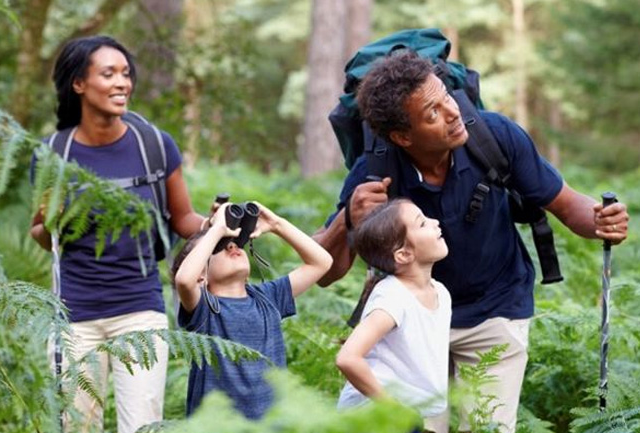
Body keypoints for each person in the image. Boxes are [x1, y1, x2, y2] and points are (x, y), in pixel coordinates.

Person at [314, 51, 629, 432]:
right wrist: (348, 217)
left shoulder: (493, 136)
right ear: (402, 136)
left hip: (496, 307)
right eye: (432, 113)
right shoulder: (375, 171)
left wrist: (599, 220)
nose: (452, 113)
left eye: (446, 96)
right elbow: (326, 274)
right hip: (413, 323)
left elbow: (565, 204)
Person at [29, 36, 206, 433]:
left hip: (139, 311)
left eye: (126, 74)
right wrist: (56, 221)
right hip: (73, 318)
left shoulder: (156, 146)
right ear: (79, 84)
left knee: (143, 427)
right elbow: (41, 233)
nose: (122, 83)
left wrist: (217, 224)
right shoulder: (53, 153)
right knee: (76, 427)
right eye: (108, 74)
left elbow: (183, 220)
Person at [171, 201, 333, 419]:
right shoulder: (205, 308)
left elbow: (321, 262)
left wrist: (276, 224)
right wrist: (216, 229)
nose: (232, 246)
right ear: (201, 275)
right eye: (220, 246)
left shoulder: (267, 298)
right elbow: (183, 280)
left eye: (235, 243)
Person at [335, 199, 451, 433]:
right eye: (422, 223)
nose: (435, 222)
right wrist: (393, 409)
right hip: (372, 416)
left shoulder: (440, 292)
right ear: (404, 254)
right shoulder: (394, 297)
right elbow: (347, 358)